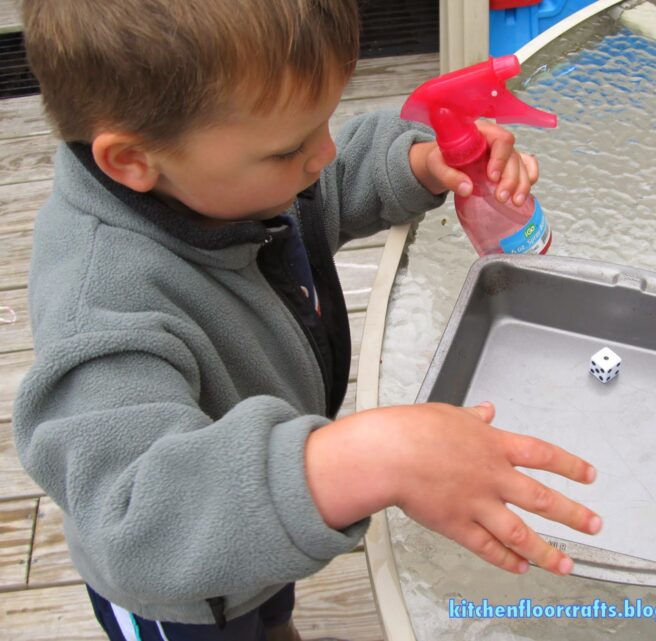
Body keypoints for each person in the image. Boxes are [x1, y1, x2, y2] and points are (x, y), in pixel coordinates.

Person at [13, 1, 602, 639]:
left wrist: (419, 164)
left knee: (268, 605)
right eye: (291, 147)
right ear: (131, 160)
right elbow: (133, 518)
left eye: (323, 122)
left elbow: (326, 183)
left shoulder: (214, 175)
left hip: (265, 513)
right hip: (185, 599)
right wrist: (381, 454)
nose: (322, 153)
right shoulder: (100, 305)